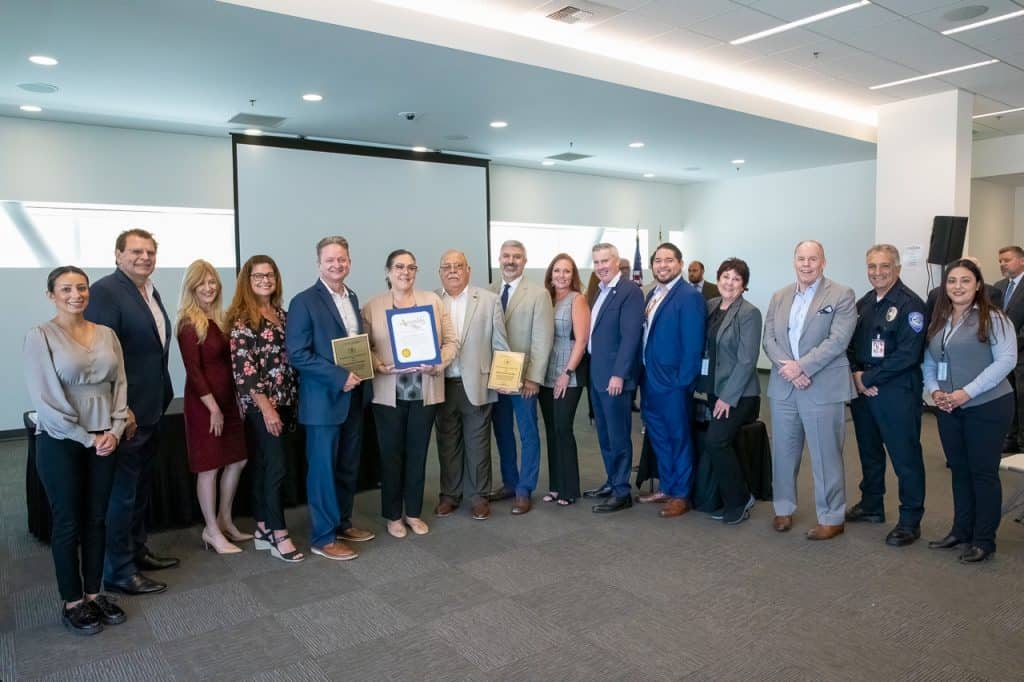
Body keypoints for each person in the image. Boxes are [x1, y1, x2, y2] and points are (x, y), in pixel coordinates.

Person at [24, 266, 129, 635]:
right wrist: (89, 438)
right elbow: (47, 401)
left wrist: (115, 429)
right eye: (66, 288)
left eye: (81, 287)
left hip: (106, 439)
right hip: (62, 442)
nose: (76, 294)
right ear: (51, 294)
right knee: (67, 522)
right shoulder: (40, 336)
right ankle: (72, 601)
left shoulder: (107, 334)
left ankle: (94, 592)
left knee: (97, 517)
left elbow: (120, 386)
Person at [85, 228, 175, 596]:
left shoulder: (149, 290)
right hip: (126, 415)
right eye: (136, 251)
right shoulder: (106, 292)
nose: (144, 257)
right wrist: (122, 411)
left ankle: (136, 552)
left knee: (139, 490)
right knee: (122, 494)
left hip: (152, 405)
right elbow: (100, 357)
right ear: (118, 254)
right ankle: (118, 571)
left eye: (150, 251)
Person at [286, 236, 374, 562]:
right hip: (323, 400)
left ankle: (342, 523)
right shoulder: (303, 301)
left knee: (347, 465)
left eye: (343, 259)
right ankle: (323, 537)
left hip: (353, 397)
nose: (337, 265)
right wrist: (339, 377)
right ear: (319, 263)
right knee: (323, 470)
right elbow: (297, 354)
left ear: (349, 261)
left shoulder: (351, 297)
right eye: (330, 260)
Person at [762, 240, 857, 540]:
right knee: (784, 453)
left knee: (826, 455)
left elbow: (838, 341)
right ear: (794, 262)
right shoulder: (780, 296)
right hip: (785, 387)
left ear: (823, 262)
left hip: (821, 386)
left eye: (812, 259)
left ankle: (832, 516)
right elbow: (769, 340)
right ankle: (783, 508)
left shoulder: (842, 295)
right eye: (801, 259)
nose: (806, 264)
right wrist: (789, 369)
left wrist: (802, 367)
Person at [924, 259, 1015, 563]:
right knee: (959, 471)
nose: (958, 287)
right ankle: (961, 530)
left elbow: (1005, 361)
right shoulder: (941, 318)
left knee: (982, 473)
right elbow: (930, 359)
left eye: (965, 280)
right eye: (952, 281)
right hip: (949, 407)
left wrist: (966, 393)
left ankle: (983, 539)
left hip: (987, 406)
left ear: (978, 285)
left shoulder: (994, 318)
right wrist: (935, 390)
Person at [363, 249, 457, 537]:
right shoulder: (372, 307)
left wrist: (438, 364)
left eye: (411, 267)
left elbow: (452, 341)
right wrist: (379, 365)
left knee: (418, 454)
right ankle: (393, 516)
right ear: (388, 271)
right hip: (388, 393)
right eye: (399, 267)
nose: (405, 272)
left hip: (424, 392)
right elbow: (363, 348)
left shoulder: (433, 301)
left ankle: (413, 512)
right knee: (391, 456)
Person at [845, 245, 927, 547]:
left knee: (905, 457)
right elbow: (849, 343)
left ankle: (910, 519)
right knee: (869, 451)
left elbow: (908, 354)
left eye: (884, 266)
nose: (877, 272)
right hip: (864, 390)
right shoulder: (864, 303)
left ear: (897, 268)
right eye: (872, 267)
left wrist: (868, 378)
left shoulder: (911, 305)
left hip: (896, 392)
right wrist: (857, 376)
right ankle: (871, 504)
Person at [227, 255, 304, 563]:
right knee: (277, 467)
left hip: (286, 400)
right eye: (257, 276)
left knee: (264, 465)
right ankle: (278, 532)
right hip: (263, 405)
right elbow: (244, 370)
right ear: (247, 280)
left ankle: (261, 526)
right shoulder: (242, 320)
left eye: (269, 275)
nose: (264, 280)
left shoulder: (282, 315)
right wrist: (267, 408)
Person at [176, 260, 249, 555]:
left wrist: (236, 401)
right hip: (205, 405)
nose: (209, 288)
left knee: (238, 460)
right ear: (191, 288)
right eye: (201, 283)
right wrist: (214, 409)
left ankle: (225, 520)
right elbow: (193, 372)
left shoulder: (219, 318)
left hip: (229, 401)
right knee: (209, 469)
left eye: (213, 282)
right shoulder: (188, 323)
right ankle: (211, 530)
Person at [433, 250, 508, 520]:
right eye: (447, 267)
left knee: (478, 443)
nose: (453, 271)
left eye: (458, 266)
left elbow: (500, 344)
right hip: (441, 383)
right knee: (447, 442)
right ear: (440, 272)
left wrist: (504, 378)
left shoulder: (488, 300)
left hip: (477, 383)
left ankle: (479, 496)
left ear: (469, 269)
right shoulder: (431, 301)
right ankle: (450, 495)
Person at [489, 240, 554, 515]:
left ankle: (525, 488)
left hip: (524, 378)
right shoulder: (489, 291)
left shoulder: (538, 294)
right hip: (496, 377)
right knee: (502, 432)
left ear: (525, 261)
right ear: (499, 259)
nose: (510, 261)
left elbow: (543, 339)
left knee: (527, 433)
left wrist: (534, 378)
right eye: (506, 256)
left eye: (517, 256)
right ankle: (509, 482)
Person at [640, 243, 705, 518]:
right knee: (659, 436)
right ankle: (667, 486)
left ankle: (681, 494)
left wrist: (683, 383)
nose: (662, 265)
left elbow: (693, 345)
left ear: (679, 263)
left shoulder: (688, 296)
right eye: (658, 261)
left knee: (678, 437)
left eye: (668, 260)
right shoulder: (652, 294)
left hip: (673, 383)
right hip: (649, 378)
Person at [697, 258, 762, 525]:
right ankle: (719, 496)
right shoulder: (711, 306)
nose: (729, 283)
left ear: (744, 285)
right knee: (716, 440)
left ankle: (740, 499)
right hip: (713, 388)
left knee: (716, 441)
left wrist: (727, 397)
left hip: (740, 395)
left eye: (736, 279)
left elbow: (747, 360)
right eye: (725, 276)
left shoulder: (749, 313)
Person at [585, 242, 644, 513]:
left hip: (614, 379)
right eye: (596, 262)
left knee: (619, 435)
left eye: (605, 261)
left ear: (617, 261)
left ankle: (622, 491)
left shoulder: (629, 291)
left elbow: (631, 337)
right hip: (598, 376)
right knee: (606, 435)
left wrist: (619, 374)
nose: (600, 267)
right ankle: (612, 480)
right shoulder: (600, 291)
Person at [538, 253, 590, 507]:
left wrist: (566, 373)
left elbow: (581, 341)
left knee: (563, 427)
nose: (561, 276)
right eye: (557, 271)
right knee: (551, 430)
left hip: (567, 372)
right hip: (545, 372)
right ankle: (556, 486)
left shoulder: (577, 300)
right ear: (550, 274)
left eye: (567, 271)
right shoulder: (545, 298)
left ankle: (570, 489)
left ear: (573, 275)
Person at [994, 245, 1024, 453]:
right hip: (1002, 354)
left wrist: (1016, 342)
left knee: (1023, 398)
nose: (1003, 264)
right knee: (1009, 395)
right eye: (1001, 261)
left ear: (1022, 260)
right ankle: (1011, 436)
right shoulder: (999, 286)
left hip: (1022, 352)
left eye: (1007, 260)